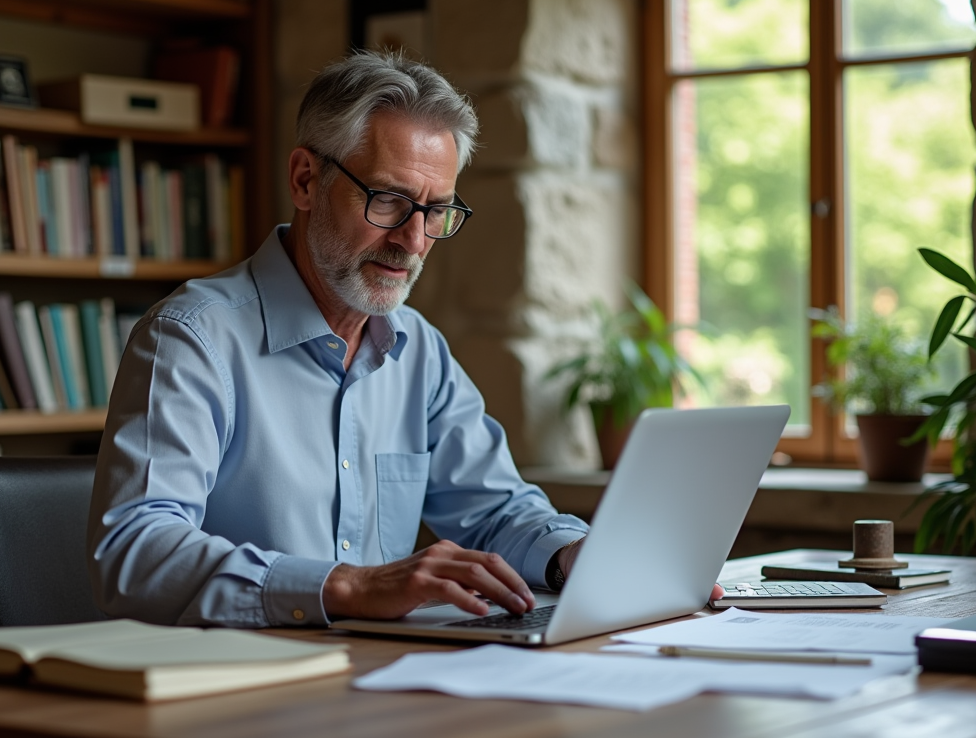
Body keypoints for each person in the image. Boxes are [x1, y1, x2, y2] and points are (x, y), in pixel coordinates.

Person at [88, 50, 720, 629]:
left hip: (377, 682)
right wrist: (346, 587)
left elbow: (496, 512)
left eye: (436, 209)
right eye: (388, 200)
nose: (414, 241)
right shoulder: (191, 338)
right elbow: (135, 553)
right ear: (306, 180)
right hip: (228, 692)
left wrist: (573, 556)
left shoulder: (417, 350)